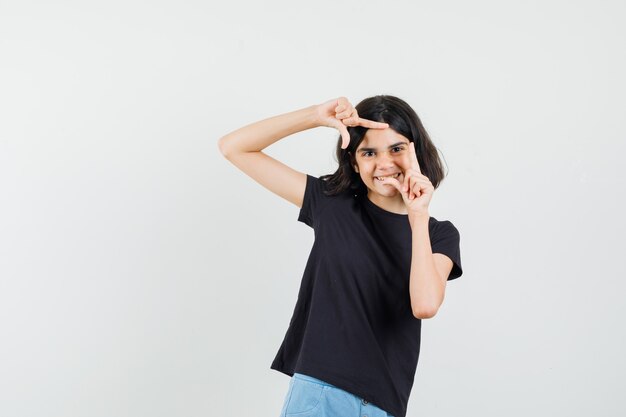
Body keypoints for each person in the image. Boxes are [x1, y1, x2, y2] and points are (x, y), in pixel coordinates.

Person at [218, 95, 463, 417]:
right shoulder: (332, 204)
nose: (384, 163)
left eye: (397, 148)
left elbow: (425, 305)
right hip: (320, 393)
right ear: (354, 162)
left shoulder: (438, 233)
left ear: (417, 150)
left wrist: (417, 215)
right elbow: (234, 147)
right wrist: (316, 116)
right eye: (369, 152)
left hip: (383, 404)